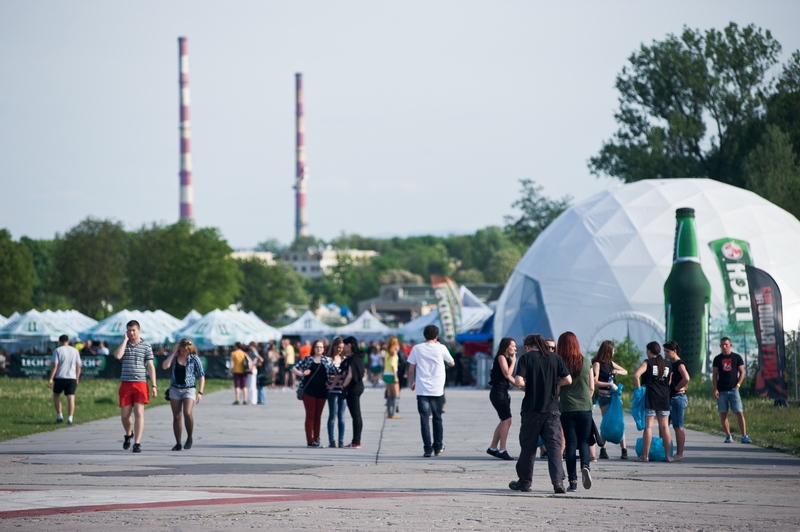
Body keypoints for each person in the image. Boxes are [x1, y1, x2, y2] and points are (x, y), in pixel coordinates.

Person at [508, 334, 571, 494]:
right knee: (554, 446)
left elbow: (518, 381)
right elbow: (568, 379)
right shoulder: (555, 358)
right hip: (552, 409)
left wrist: (526, 386)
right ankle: (558, 482)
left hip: (531, 409)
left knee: (528, 447)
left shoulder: (526, 358)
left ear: (529, 346)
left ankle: (525, 482)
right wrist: (554, 384)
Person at [407, 325, 455, 458]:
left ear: (424, 335)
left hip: (422, 387)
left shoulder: (416, 348)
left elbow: (411, 368)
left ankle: (427, 449)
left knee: (424, 418)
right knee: (437, 418)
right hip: (437, 388)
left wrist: (412, 381)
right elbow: (452, 363)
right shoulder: (441, 348)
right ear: (436, 335)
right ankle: (438, 446)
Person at [557, 331, 595, 492]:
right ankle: (585, 466)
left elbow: (558, 389)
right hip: (585, 406)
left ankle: (573, 481)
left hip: (567, 408)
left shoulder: (560, 363)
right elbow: (592, 386)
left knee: (570, 443)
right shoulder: (587, 362)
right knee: (585, 441)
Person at [113, 320, 157, 453]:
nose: (132, 333)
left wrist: (154, 385)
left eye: (134, 330)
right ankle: (128, 434)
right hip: (126, 382)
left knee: (139, 413)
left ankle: (137, 443)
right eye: (129, 330)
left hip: (140, 383)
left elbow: (150, 366)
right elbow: (117, 356)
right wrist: (125, 341)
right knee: (125, 415)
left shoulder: (146, 346)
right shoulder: (124, 345)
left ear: (139, 330)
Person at [293, 339, 339, 447]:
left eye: (321, 347)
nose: (319, 349)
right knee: (310, 415)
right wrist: (302, 373)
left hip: (322, 391)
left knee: (318, 416)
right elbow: (293, 368)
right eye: (317, 347)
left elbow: (337, 373)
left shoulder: (327, 360)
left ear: (324, 349)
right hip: (308, 391)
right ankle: (310, 440)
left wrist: (332, 385)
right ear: (313, 348)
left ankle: (317, 438)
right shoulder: (308, 359)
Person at [162, 338, 205, 451]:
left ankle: (189, 437)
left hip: (189, 389)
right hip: (175, 389)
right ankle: (178, 443)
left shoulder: (194, 358)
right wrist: (174, 352)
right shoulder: (175, 357)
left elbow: (201, 375)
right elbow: (165, 366)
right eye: (182, 347)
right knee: (176, 416)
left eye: (186, 348)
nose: (184, 350)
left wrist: (200, 392)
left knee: (187, 413)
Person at [633, 342, 673, 462]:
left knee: (649, 426)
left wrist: (638, 389)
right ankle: (668, 456)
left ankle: (645, 456)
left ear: (650, 351)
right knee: (665, 427)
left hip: (651, 396)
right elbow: (669, 382)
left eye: (647, 350)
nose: (646, 352)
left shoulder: (647, 363)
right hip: (664, 397)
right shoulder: (668, 365)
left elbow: (636, 375)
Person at [592, 340, 629, 459]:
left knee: (618, 422)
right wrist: (609, 385)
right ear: (608, 350)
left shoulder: (611, 363)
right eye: (613, 350)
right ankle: (603, 448)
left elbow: (625, 371)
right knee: (607, 422)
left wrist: (617, 371)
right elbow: (595, 381)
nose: (614, 352)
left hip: (614, 396)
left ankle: (624, 449)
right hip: (604, 396)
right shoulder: (597, 364)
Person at [713, 337, 751, 444]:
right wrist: (715, 388)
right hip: (721, 390)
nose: (724, 347)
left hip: (733, 389)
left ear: (730, 345)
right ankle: (728, 435)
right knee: (723, 413)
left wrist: (738, 385)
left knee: (739, 412)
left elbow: (742, 372)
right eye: (722, 345)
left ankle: (744, 436)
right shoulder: (717, 359)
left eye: (726, 344)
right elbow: (715, 375)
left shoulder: (736, 357)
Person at [486, 337, 517, 461]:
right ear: (506, 347)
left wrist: (520, 385)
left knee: (504, 420)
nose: (515, 349)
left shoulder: (503, 358)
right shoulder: (501, 357)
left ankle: (493, 448)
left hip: (502, 391)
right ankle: (502, 449)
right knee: (507, 420)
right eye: (513, 346)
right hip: (498, 392)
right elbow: (507, 374)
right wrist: (514, 361)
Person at [664, 340, 690, 461]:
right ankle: (667, 452)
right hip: (671, 397)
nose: (666, 354)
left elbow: (686, 378)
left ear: (674, 351)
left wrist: (677, 388)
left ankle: (679, 453)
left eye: (668, 351)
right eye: (665, 351)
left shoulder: (679, 364)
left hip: (678, 397)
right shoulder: (671, 364)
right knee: (666, 425)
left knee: (678, 426)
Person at [48, 335, 82, 425]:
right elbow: (78, 366)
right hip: (71, 377)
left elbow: (55, 365)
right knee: (71, 397)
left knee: (56, 395)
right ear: (68, 341)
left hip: (60, 376)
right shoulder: (75, 351)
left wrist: (51, 379)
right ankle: (70, 418)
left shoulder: (58, 350)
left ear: (60, 341)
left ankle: (60, 415)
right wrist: (77, 377)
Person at [341, 336, 366, 449]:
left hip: (353, 388)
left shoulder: (353, 359)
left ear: (349, 345)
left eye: (345, 345)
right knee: (356, 415)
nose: (344, 348)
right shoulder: (358, 357)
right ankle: (356, 441)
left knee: (356, 415)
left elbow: (350, 375)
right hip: (359, 386)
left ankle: (356, 441)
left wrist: (343, 386)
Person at [325, 336, 347, 448]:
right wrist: (338, 377)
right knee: (332, 415)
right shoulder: (328, 359)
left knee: (342, 416)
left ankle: (341, 440)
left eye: (342, 347)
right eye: (338, 347)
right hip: (332, 390)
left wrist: (337, 377)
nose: (340, 349)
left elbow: (347, 375)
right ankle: (331, 440)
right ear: (333, 346)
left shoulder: (345, 359)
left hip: (342, 390)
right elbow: (327, 375)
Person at [383, 336, 403, 419]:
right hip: (392, 374)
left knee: (390, 394)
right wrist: (396, 377)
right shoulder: (394, 353)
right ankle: (393, 412)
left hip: (386, 374)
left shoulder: (387, 352)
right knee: (396, 395)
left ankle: (389, 412)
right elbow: (393, 366)